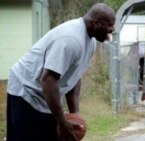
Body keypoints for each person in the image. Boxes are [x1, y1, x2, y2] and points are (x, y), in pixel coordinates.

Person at [6, 3, 115, 141]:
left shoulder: (90, 41)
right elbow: (48, 80)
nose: (113, 29)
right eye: (110, 25)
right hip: (26, 90)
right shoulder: (71, 40)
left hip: (44, 92)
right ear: (97, 24)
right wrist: (62, 121)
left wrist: (75, 114)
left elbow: (74, 77)